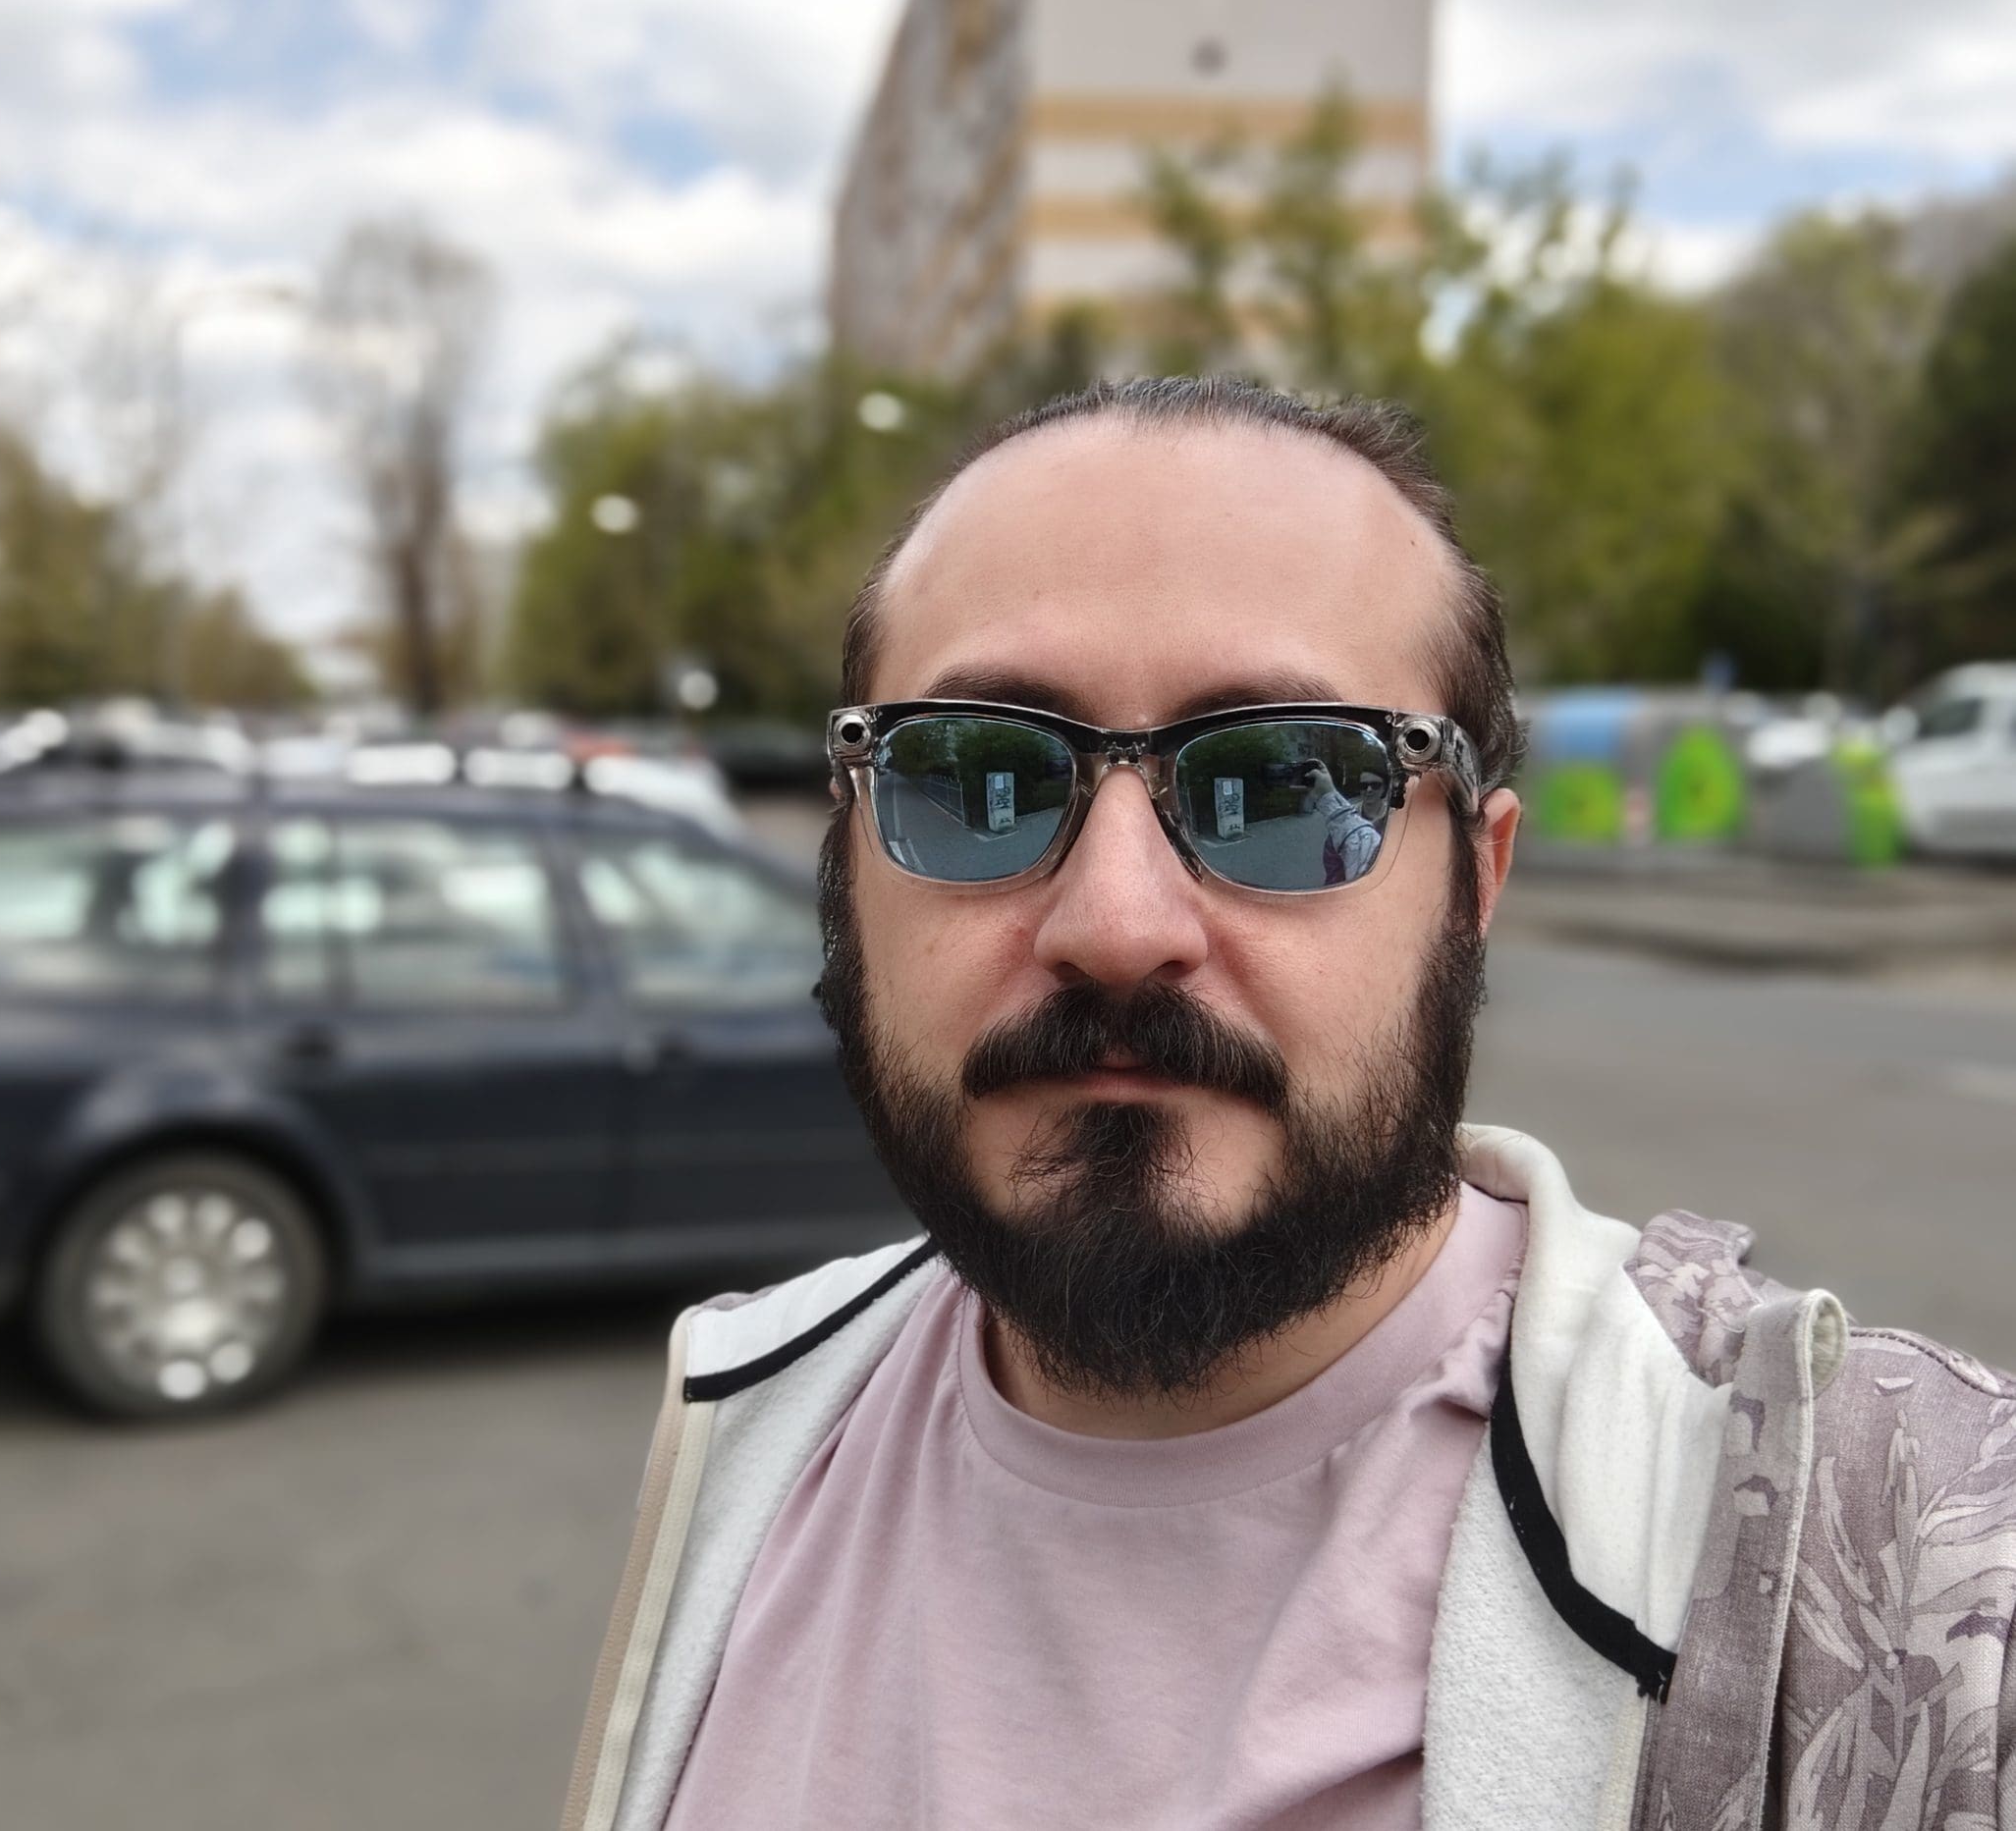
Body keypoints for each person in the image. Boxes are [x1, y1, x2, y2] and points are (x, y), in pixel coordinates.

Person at [563, 377, 2016, 1831]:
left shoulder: (1927, 1564)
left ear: (1477, 882)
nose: (1116, 923)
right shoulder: (746, 1430)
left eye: (1282, 783)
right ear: (847, 861)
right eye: (977, 772)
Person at [1310, 760, 1388, 887]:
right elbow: (1333, 869)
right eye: (1363, 785)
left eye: (1375, 785)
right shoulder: (1343, 821)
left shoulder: (1395, 820)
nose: (1369, 790)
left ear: (1384, 788)